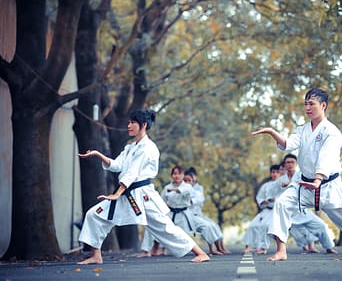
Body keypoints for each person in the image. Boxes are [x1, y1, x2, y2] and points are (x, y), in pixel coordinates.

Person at [251, 87, 342, 261]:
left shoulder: (332, 132)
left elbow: (326, 157)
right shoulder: (302, 130)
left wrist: (318, 179)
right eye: (305, 104)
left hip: (328, 186)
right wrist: (272, 132)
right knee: (282, 204)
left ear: (323, 105)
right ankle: (281, 250)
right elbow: (288, 143)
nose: (307, 108)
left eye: (311, 104)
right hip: (304, 185)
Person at [76, 109, 210, 264]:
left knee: (164, 227)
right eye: (129, 122)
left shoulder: (148, 148)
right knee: (94, 214)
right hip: (127, 193)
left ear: (144, 125)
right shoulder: (131, 147)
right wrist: (98, 154)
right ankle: (96, 255)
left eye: (133, 122)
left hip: (142, 195)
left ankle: (200, 253)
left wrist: (117, 193)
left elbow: (132, 173)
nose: (129, 125)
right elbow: (117, 165)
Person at [184, 169, 230, 254]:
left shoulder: (197, 190)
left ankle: (218, 248)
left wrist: (191, 200)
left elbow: (199, 199)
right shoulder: (177, 189)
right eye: (185, 180)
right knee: (208, 226)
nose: (187, 182)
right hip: (183, 215)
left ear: (194, 181)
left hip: (196, 215)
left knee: (213, 226)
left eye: (189, 180)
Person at [242, 164, 280, 254]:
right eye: (273, 172)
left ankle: (263, 248)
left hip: (277, 211)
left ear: (280, 173)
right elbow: (259, 198)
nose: (275, 174)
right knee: (253, 225)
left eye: (277, 172)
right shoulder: (266, 186)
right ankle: (249, 246)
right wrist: (263, 202)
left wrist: (275, 199)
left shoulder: (283, 184)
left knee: (265, 226)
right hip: (266, 210)